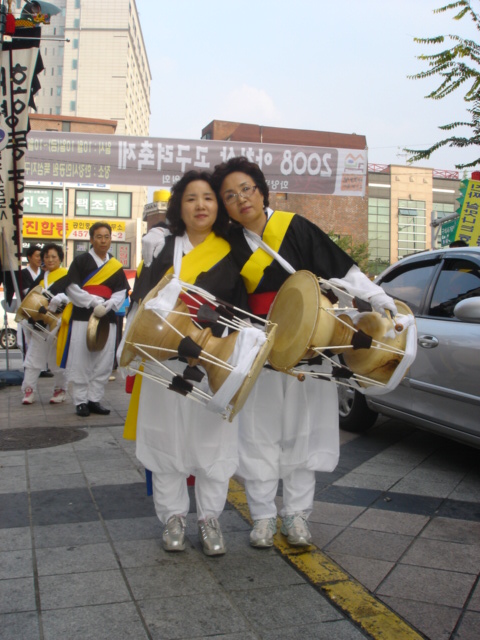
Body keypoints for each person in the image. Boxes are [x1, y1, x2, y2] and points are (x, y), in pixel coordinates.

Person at [207, 157, 397, 548]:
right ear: (224, 207)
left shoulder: (296, 227)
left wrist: (377, 297)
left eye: (246, 189)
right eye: (229, 195)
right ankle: (262, 517)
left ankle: (296, 516)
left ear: (261, 190)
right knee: (258, 435)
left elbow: (343, 272)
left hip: (310, 347)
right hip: (260, 350)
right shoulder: (227, 244)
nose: (241, 199)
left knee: (302, 435)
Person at [123, 171, 248, 557]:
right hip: (167, 362)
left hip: (212, 362)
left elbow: (242, 312)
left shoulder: (232, 250)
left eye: (208, 198)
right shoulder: (164, 247)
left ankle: (210, 518)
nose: (200, 205)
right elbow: (143, 303)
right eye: (191, 198)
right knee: (165, 440)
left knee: (214, 442)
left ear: (218, 205)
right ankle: (173, 517)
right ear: (180, 205)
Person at [62, 222, 128, 417]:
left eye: (106, 236)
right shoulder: (81, 261)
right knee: (83, 359)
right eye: (99, 237)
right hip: (83, 316)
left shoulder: (115, 266)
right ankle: (80, 401)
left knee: (104, 360)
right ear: (91, 239)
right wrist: (92, 302)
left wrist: (108, 305)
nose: (103, 240)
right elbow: (72, 288)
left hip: (107, 319)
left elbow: (121, 291)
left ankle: (94, 399)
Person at [20, 243, 69, 405]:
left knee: (57, 359)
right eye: (46, 256)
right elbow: (28, 300)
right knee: (33, 357)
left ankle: (60, 389)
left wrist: (62, 300)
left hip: (58, 323)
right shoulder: (40, 278)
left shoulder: (68, 276)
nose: (50, 260)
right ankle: (28, 390)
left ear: (60, 259)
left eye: (54, 256)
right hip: (39, 324)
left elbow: (74, 298)